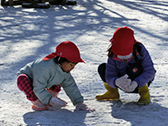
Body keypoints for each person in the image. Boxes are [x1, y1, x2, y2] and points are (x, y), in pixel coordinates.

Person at [17, 41, 95, 111]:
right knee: (23, 79)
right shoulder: (45, 67)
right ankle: (37, 102)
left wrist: (79, 102)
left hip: (46, 81)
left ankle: (51, 97)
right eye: (71, 65)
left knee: (59, 77)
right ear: (61, 60)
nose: (72, 68)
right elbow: (38, 86)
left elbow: (71, 86)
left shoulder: (64, 71)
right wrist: (49, 100)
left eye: (74, 65)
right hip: (31, 79)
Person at [96, 26, 156, 105]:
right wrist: (116, 82)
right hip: (123, 84)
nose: (123, 57)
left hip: (139, 84)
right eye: (119, 53)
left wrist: (136, 83)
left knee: (135, 68)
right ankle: (113, 93)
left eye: (126, 53)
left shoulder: (140, 51)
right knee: (103, 68)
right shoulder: (112, 55)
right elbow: (109, 75)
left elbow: (150, 71)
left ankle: (144, 94)